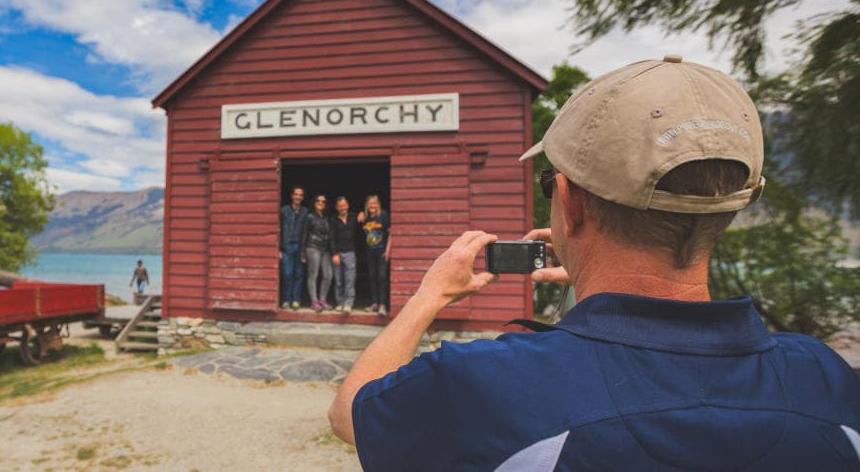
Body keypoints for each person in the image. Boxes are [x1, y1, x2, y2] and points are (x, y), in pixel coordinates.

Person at [328, 56, 860, 470]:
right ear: (733, 208)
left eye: (547, 186)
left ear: (570, 200)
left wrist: (431, 294)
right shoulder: (826, 380)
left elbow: (351, 413)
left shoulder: (484, 384)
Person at [358, 195, 390, 316]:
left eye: (374, 203)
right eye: (370, 204)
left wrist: (388, 250)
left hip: (382, 252)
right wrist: (360, 214)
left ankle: (383, 305)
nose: (372, 206)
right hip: (370, 253)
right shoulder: (366, 218)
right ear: (367, 205)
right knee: (372, 277)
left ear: (378, 204)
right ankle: (375, 303)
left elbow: (391, 232)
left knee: (382, 277)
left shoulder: (383, 216)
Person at [302, 194, 334, 312]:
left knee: (328, 275)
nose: (321, 203)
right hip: (312, 247)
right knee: (313, 275)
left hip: (325, 249)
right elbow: (304, 234)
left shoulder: (327, 217)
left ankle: (323, 300)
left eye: (323, 201)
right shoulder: (309, 216)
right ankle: (314, 301)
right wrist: (302, 253)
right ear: (314, 202)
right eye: (318, 201)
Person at [279, 185, 309, 310]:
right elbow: (278, 230)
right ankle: (286, 300)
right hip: (287, 247)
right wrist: (279, 249)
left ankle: (296, 300)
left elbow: (306, 232)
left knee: (298, 274)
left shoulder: (305, 211)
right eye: (296, 194)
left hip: (299, 246)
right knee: (287, 273)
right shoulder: (284, 210)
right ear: (292, 196)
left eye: (300, 195)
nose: (298, 197)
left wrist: (304, 252)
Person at [330, 196, 359, 314]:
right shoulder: (333, 220)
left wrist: (362, 214)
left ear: (348, 205)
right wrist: (334, 254)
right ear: (336, 207)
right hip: (338, 253)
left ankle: (348, 304)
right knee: (338, 280)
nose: (343, 207)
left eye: (344, 205)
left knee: (350, 280)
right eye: (340, 205)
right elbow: (331, 238)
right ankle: (340, 302)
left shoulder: (354, 217)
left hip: (350, 253)